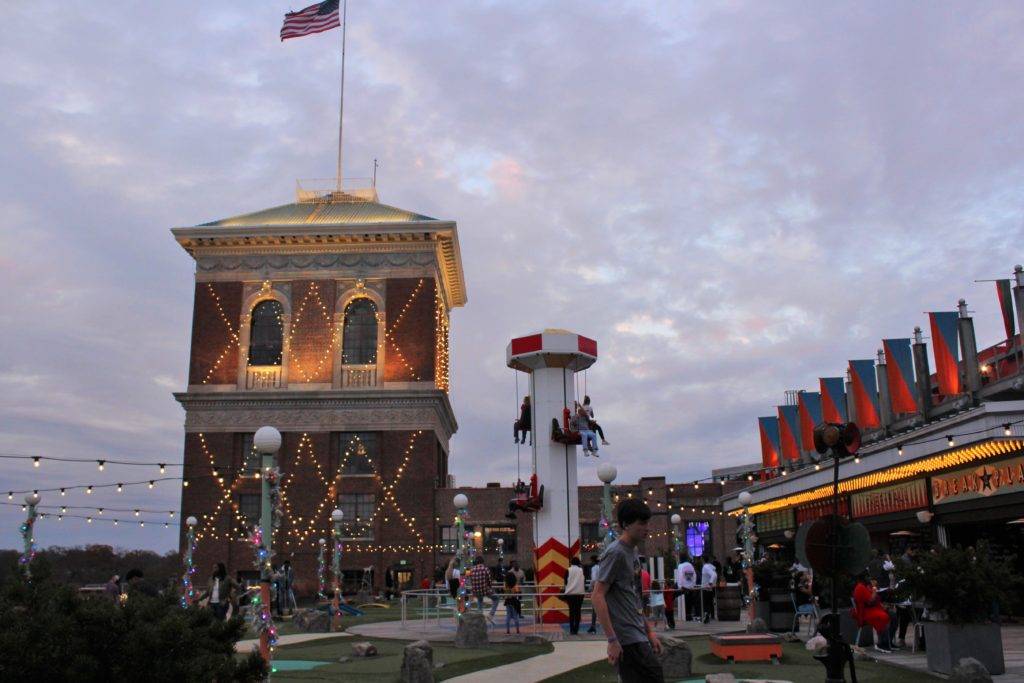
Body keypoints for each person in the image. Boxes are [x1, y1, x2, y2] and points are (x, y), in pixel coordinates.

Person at [591, 499, 664, 683]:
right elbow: (597, 595)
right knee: (654, 675)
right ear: (625, 525)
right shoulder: (616, 553)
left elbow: (634, 598)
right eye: (641, 523)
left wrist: (649, 632)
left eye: (647, 522)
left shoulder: (633, 551)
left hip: (637, 632)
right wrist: (612, 640)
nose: (646, 528)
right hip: (625, 636)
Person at [853, 572, 891, 653]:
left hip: (872, 609)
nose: (870, 579)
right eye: (868, 577)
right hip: (865, 613)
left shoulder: (866, 586)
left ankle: (889, 641)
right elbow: (870, 601)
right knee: (883, 616)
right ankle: (881, 643)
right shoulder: (860, 587)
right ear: (863, 578)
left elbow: (875, 600)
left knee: (892, 615)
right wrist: (874, 588)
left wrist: (882, 605)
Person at [469, 557, 499, 621]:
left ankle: (480, 618)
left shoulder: (471, 570)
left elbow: (468, 579)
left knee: (480, 601)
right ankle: (491, 614)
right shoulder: (486, 569)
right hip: (485, 589)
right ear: (483, 562)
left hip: (476, 590)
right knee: (496, 598)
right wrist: (490, 587)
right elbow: (490, 580)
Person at [564, 556, 586, 635]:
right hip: (580, 593)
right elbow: (584, 580)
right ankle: (576, 629)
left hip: (570, 594)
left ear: (571, 563)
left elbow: (565, 582)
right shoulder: (581, 570)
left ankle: (571, 629)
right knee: (578, 611)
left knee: (571, 611)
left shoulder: (568, 570)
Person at [674, 555, 697, 621]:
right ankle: (689, 615)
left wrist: (680, 586)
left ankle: (684, 616)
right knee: (689, 602)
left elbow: (680, 576)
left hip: (683, 587)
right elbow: (694, 576)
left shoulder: (680, 566)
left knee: (683, 603)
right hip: (690, 588)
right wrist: (693, 585)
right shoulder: (690, 565)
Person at [700, 557, 717, 623]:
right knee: (710, 602)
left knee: (705, 602)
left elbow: (714, 574)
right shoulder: (711, 566)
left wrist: (710, 582)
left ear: (703, 560)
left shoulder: (705, 567)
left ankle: (706, 615)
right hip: (710, 588)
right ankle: (710, 615)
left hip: (706, 587)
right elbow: (715, 574)